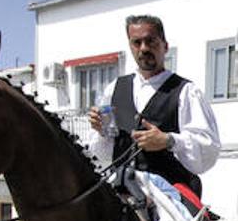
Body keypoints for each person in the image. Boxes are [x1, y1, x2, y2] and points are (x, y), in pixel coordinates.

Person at [87, 14, 220, 208]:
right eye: (137, 42)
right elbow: (103, 154)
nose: (144, 48)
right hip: (121, 187)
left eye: (150, 41)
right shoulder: (114, 89)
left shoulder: (186, 91)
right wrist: (100, 130)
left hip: (169, 193)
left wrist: (168, 140)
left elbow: (208, 149)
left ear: (165, 46)